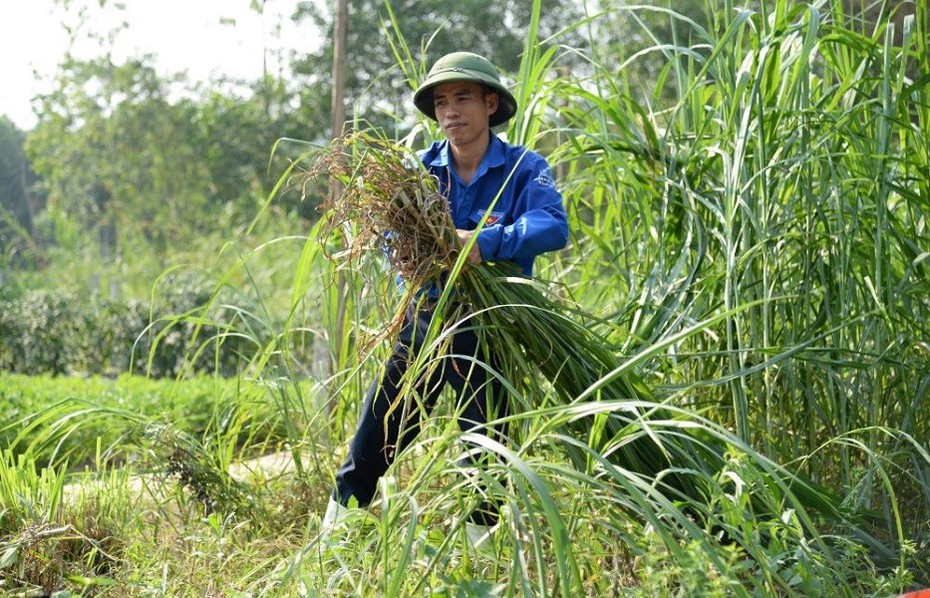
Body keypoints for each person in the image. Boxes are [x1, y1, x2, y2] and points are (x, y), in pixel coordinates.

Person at [322, 51, 569, 547]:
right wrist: (415, 265)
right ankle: (335, 539)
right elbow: (394, 238)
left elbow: (553, 226)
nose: (450, 111)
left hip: (496, 324)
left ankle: (479, 555)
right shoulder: (419, 171)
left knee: (485, 443)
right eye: (440, 102)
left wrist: (485, 243)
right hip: (427, 319)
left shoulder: (524, 167)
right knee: (382, 426)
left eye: (462, 98)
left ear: (490, 103)